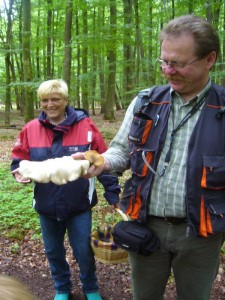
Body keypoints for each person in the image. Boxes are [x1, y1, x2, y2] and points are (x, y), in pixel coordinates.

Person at [72, 15, 225, 300]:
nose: (168, 71)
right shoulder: (146, 101)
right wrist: (102, 161)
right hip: (144, 225)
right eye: (164, 61)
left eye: (178, 63)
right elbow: (120, 151)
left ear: (209, 59)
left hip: (201, 233)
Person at [10, 79, 120, 300]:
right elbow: (19, 158)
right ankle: (62, 289)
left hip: (79, 204)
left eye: (55, 99)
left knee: (83, 251)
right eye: (45, 100)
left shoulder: (86, 126)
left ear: (65, 100)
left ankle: (90, 289)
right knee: (53, 252)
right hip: (46, 204)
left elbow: (102, 160)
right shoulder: (31, 129)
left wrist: (112, 192)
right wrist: (18, 171)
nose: (50, 104)